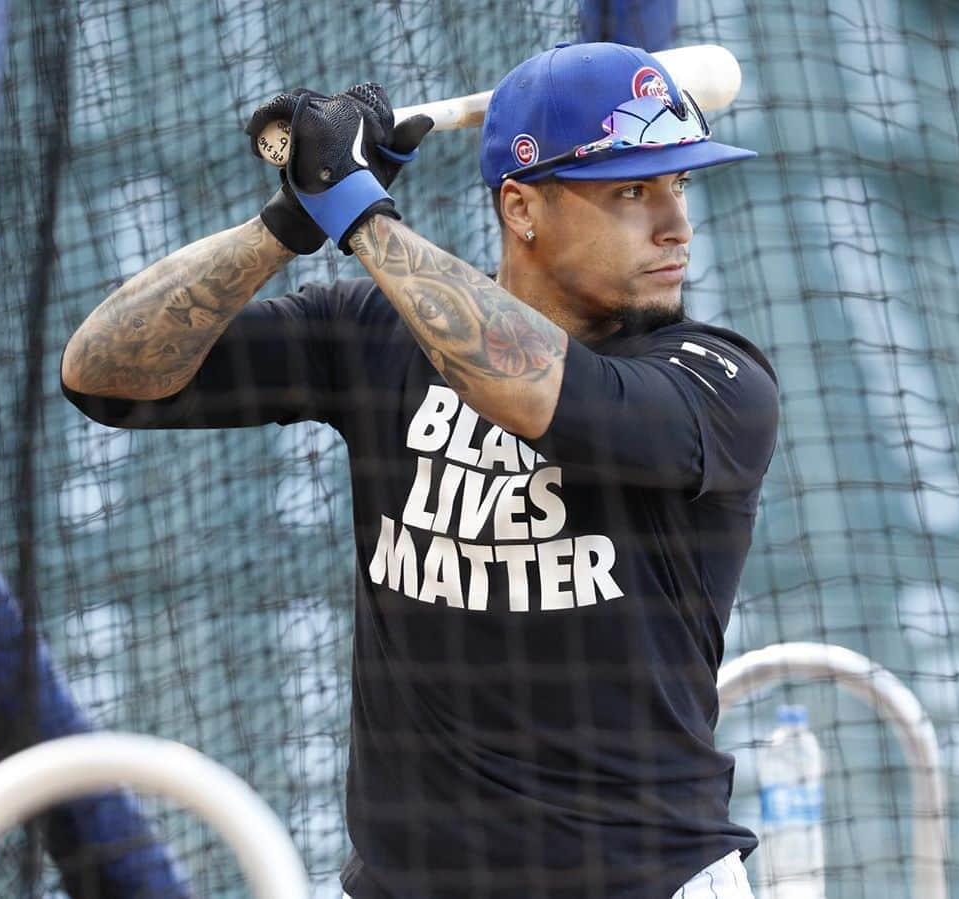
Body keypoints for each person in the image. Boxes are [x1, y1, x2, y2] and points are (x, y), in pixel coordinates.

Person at [61, 41, 778, 899]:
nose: (676, 225)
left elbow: (540, 391)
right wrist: (286, 223)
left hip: (644, 881)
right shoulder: (374, 334)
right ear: (522, 208)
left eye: (680, 185)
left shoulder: (716, 378)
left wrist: (362, 215)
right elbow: (102, 374)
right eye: (633, 190)